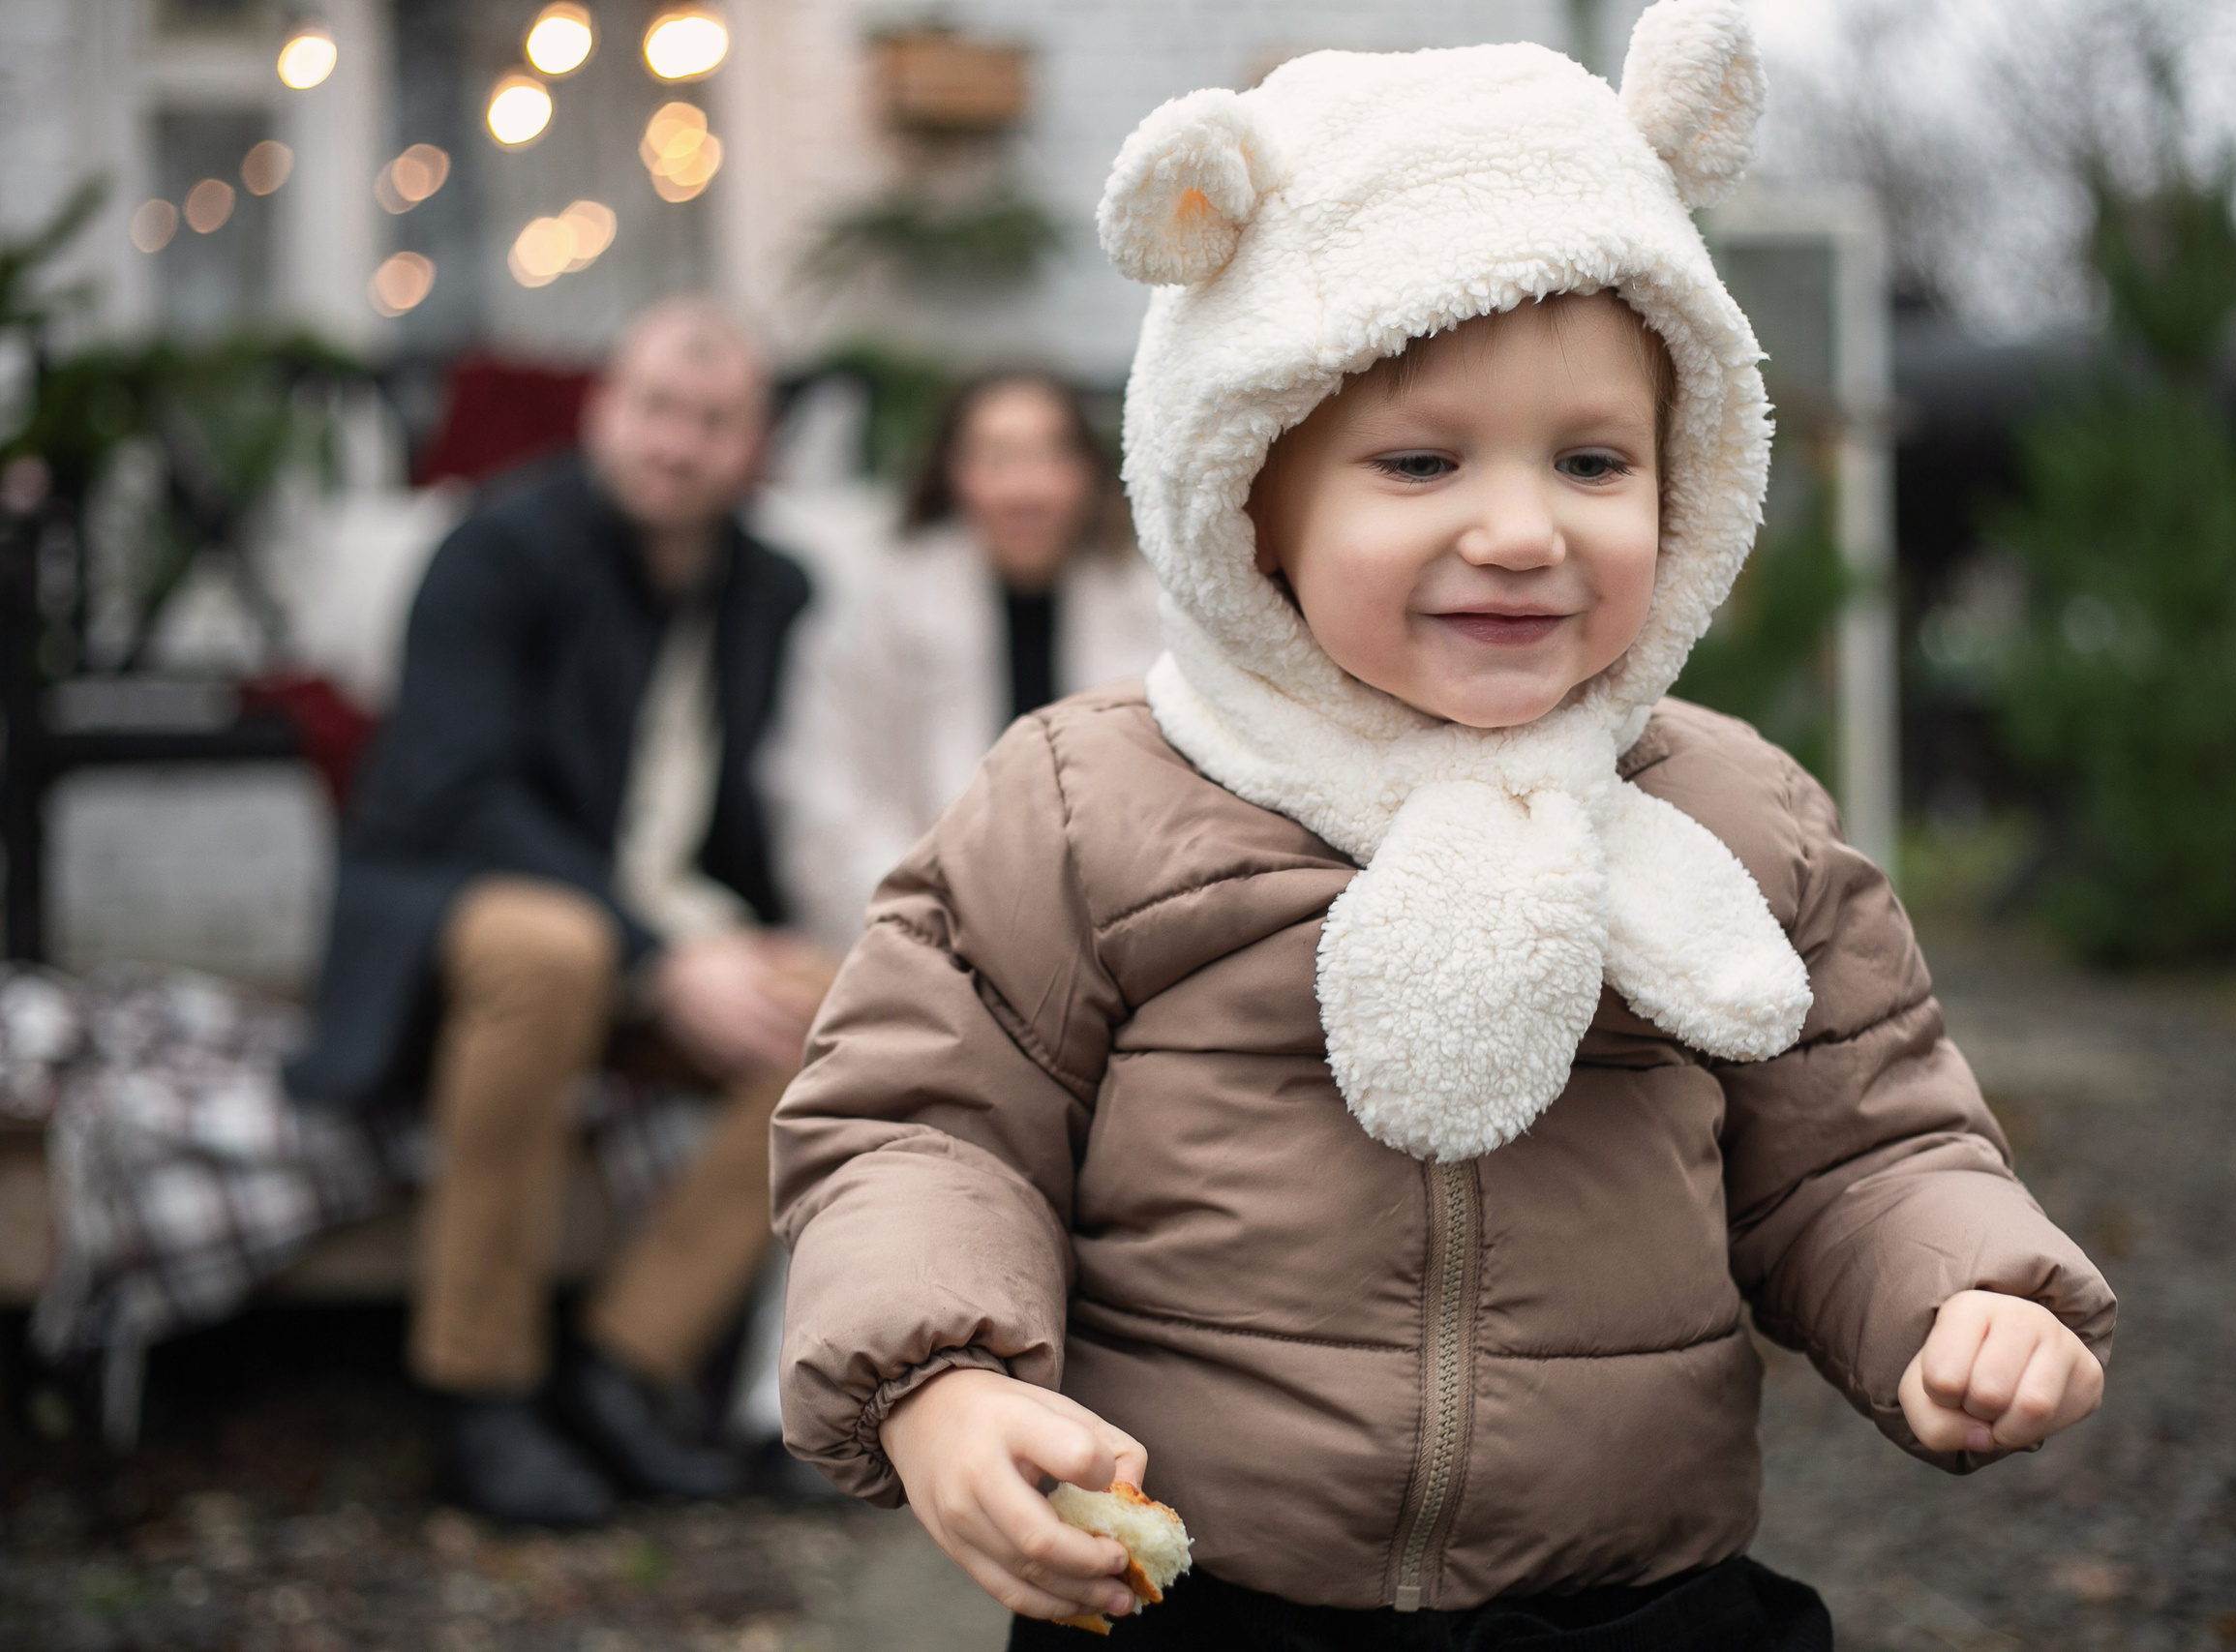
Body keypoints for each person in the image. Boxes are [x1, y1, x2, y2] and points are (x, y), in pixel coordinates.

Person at [771, 9, 2117, 1649]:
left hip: (1637, 1598)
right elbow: (924, 1124)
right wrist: (943, 1378)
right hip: (1208, 1592)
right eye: (1419, 459)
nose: (1519, 528)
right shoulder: (1094, 800)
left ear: (1689, 485)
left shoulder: (1729, 814)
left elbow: (1864, 1143)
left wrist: (1966, 1289)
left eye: (1594, 459)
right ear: (1247, 492)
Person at [288, 297, 837, 1527]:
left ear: (756, 448)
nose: (674, 444)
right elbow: (459, 790)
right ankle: (478, 1388)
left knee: (853, 1003)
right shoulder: (493, 547)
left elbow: (775, 801)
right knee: (557, 945)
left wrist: (747, 937)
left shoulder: (777, 590)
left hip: (657, 929)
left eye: (711, 421)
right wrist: (663, 956)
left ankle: (625, 1365)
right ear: (604, 408)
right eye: (653, 409)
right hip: (460, 916)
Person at [765, 371, 1160, 947]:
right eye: (997, 457)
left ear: (1088, 473)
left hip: (1111, 943)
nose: (1026, 488)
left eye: (1051, 455)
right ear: (955, 472)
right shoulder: (877, 609)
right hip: (917, 936)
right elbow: (823, 799)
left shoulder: (1152, 613)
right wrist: (929, 928)